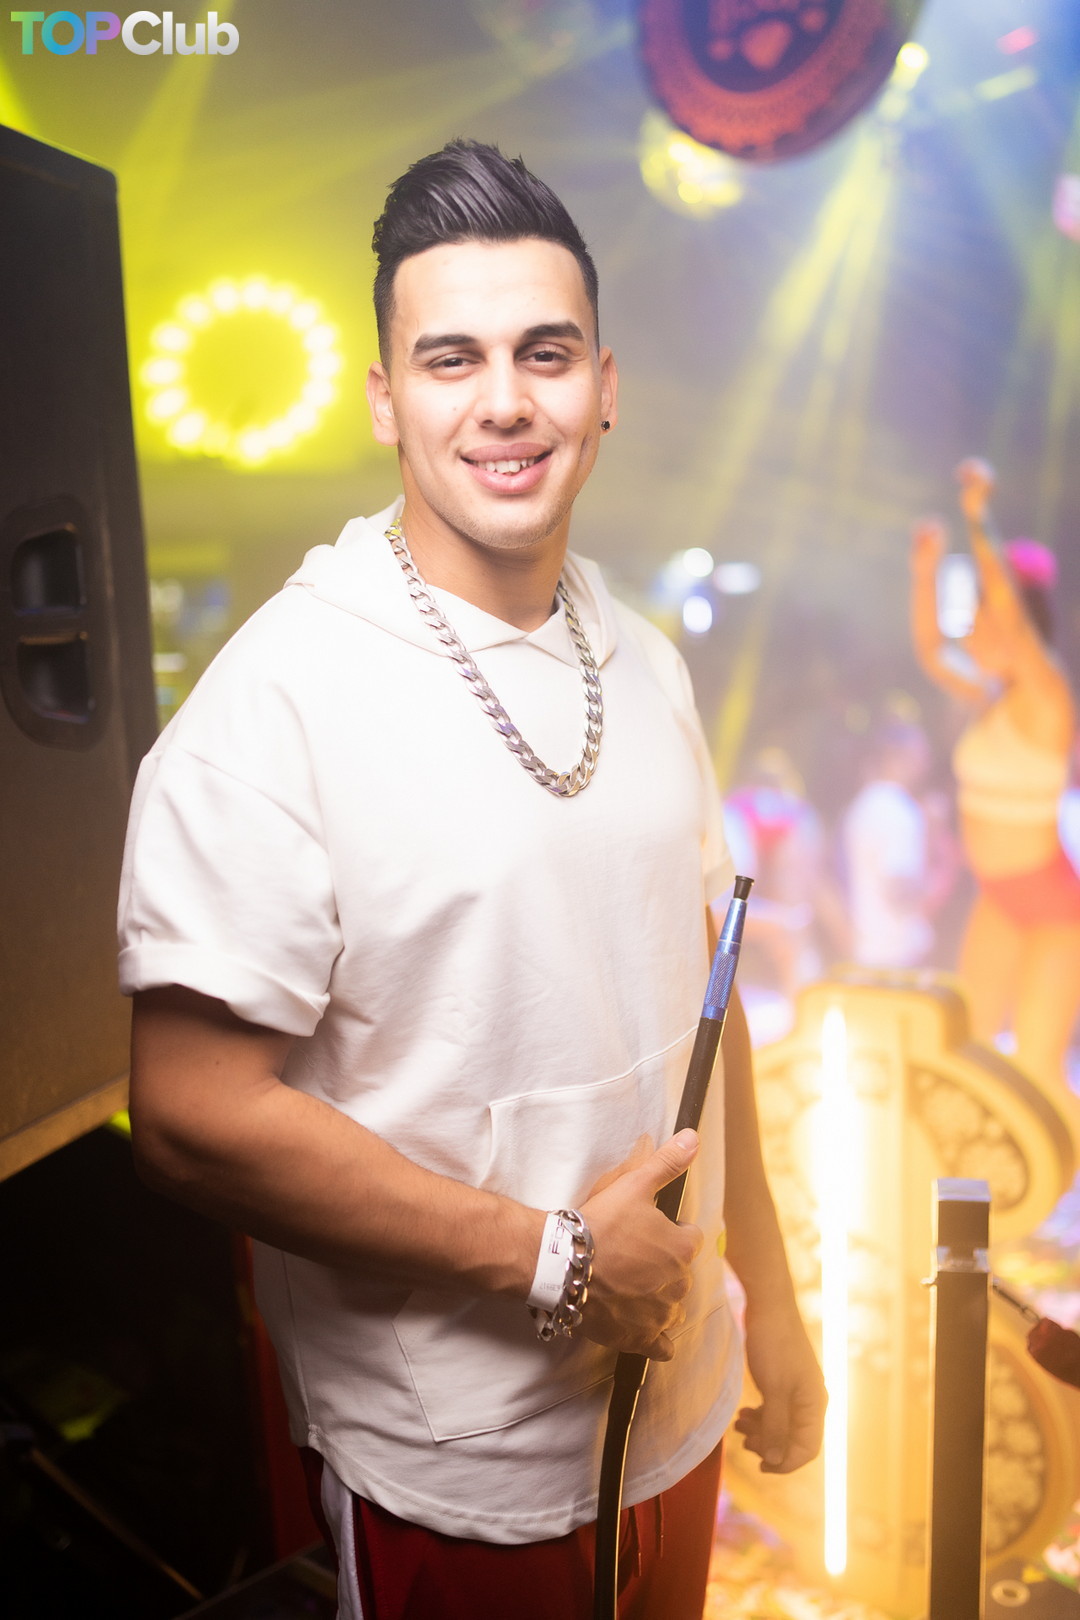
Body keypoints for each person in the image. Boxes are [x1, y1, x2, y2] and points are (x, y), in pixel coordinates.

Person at [118, 141, 824, 1620]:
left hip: (681, 1400)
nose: (504, 400)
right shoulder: (277, 703)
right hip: (459, 1464)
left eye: (543, 353)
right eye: (452, 358)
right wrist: (555, 1259)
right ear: (386, 398)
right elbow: (188, 1114)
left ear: (604, 387)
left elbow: (711, 996)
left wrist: (768, 1300)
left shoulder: (645, 658)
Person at [910, 456, 1080, 1130]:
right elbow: (931, 650)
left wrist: (977, 519)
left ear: (1012, 628)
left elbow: (1006, 602)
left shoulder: (1045, 696)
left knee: (1038, 1067)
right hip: (999, 896)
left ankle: (1056, 1186)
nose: (971, 630)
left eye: (980, 619)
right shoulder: (989, 696)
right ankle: (984, 1185)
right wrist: (925, 572)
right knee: (971, 1053)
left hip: (1052, 904)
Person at [841, 718, 953, 970]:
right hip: (898, 958)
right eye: (919, 755)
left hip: (870, 952)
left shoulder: (864, 804)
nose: (925, 764)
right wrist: (935, 876)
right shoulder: (898, 810)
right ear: (894, 757)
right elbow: (899, 888)